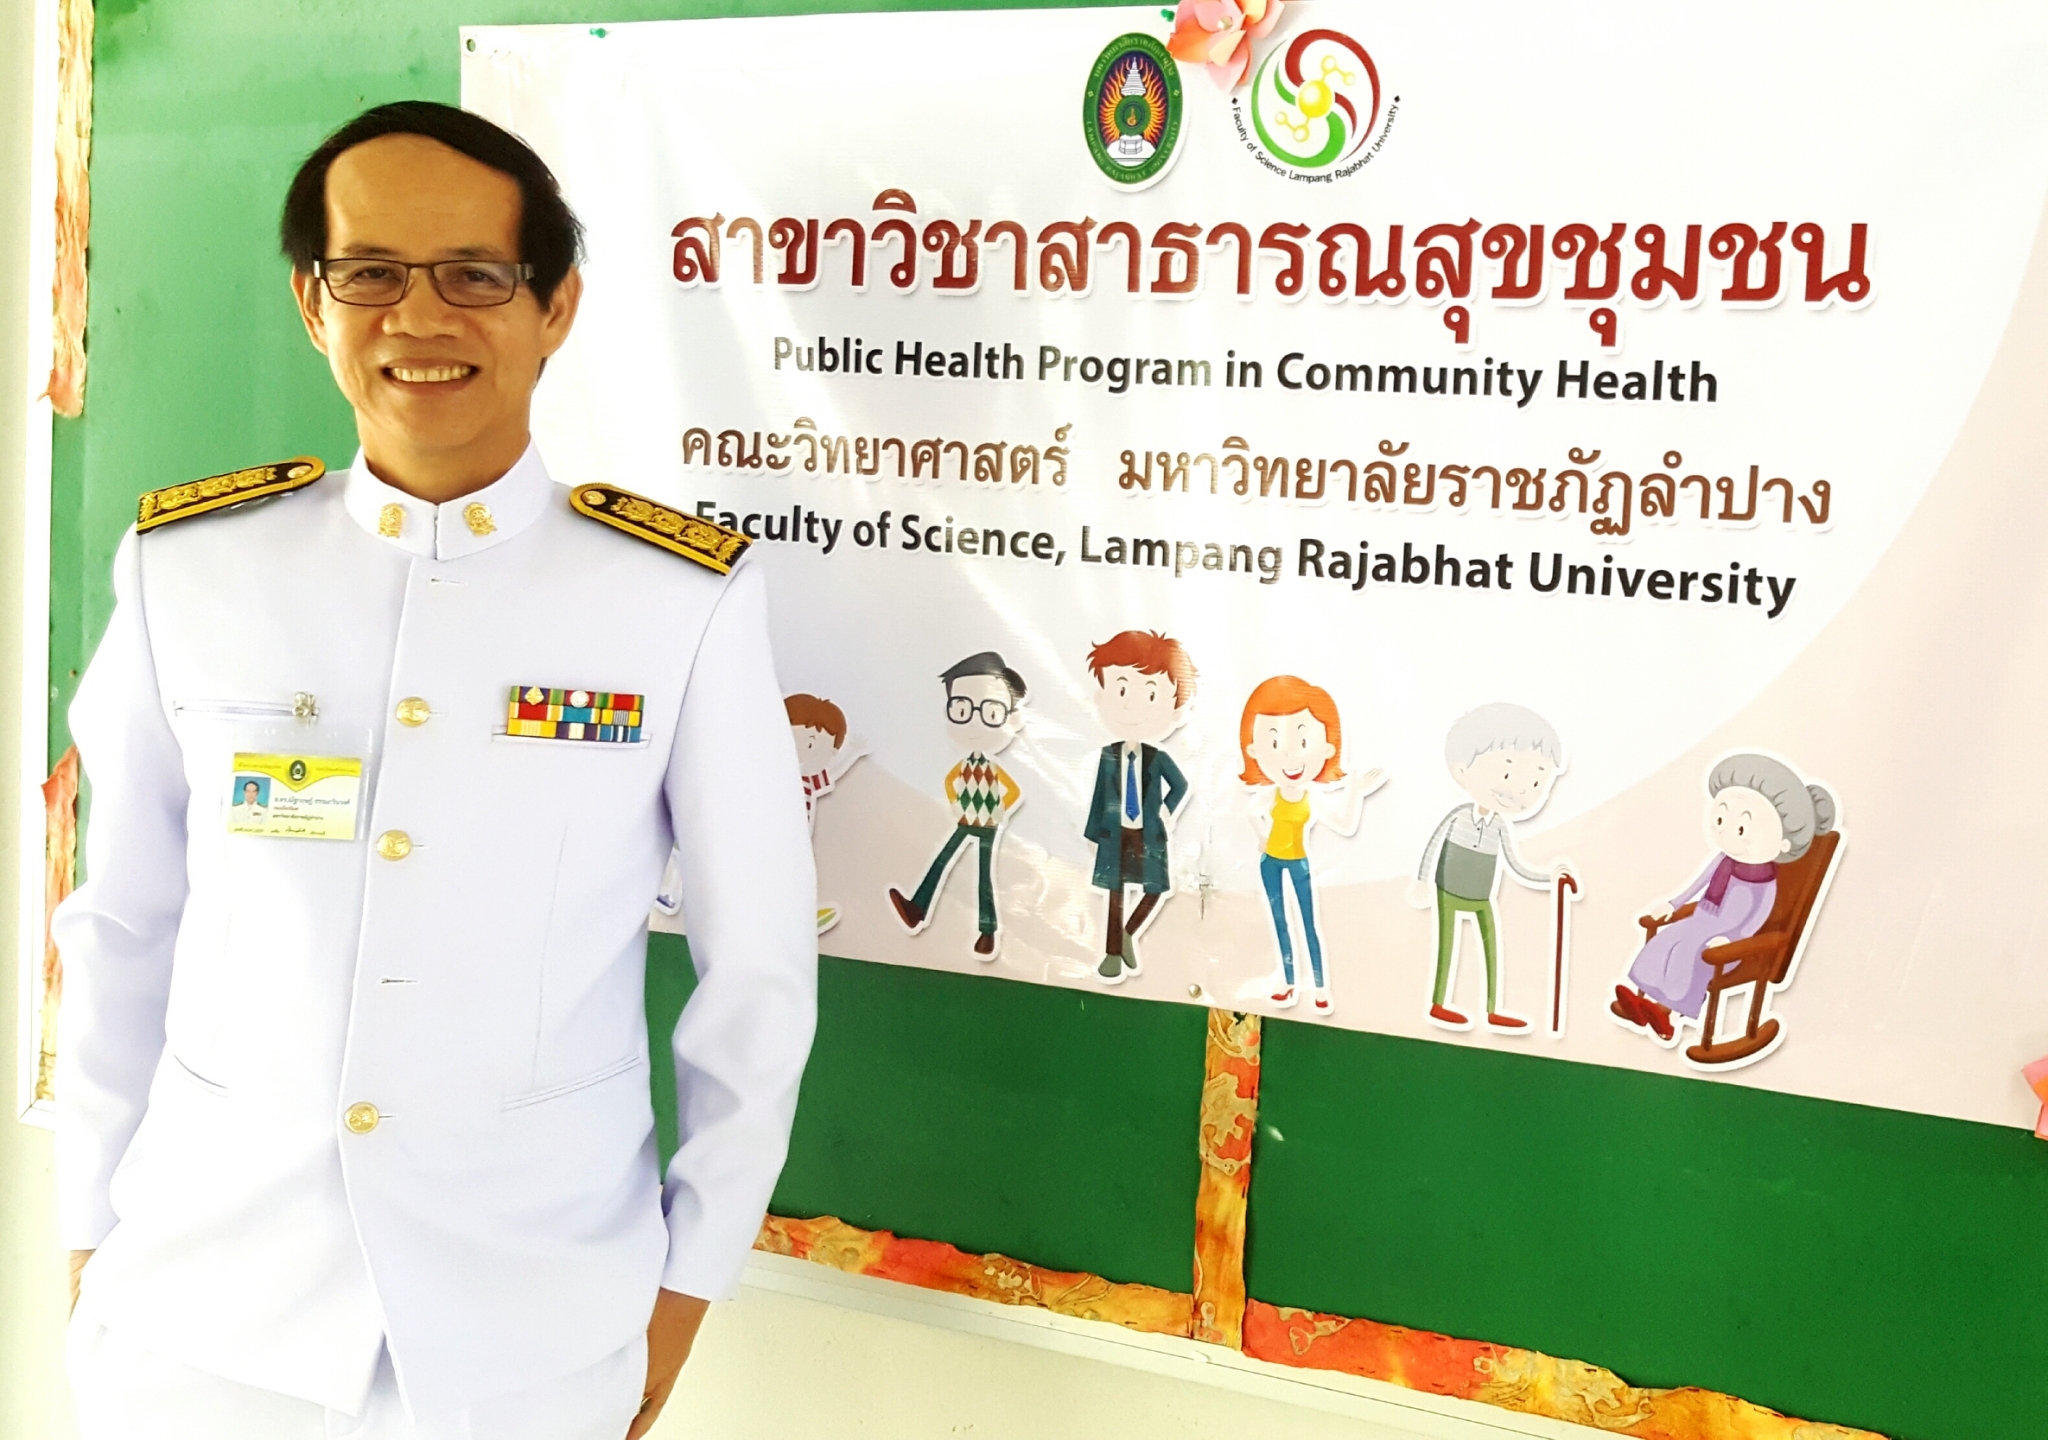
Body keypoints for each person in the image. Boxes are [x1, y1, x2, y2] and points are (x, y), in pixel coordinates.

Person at [54, 101, 817, 1440]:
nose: (419, 317)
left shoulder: (676, 599)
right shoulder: (192, 571)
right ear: (313, 304)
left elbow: (757, 972)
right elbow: (121, 924)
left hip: (530, 1324)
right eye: (370, 274)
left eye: (475, 275)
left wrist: (689, 1282)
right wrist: (87, 1230)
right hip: (200, 1314)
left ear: (555, 306)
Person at [1613, 754, 1836, 1042]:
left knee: (1687, 954)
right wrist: (1673, 904)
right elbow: (1698, 884)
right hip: (1700, 923)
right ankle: (1644, 1004)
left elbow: (1758, 915)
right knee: (1666, 941)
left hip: (1730, 942)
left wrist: (1734, 937)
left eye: (1741, 829)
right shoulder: (1723, 861)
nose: (1726, 834)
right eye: (1720, 819)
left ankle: (1667, 1014)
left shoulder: (1765, 880)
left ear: (1783, 844)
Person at [1408, 703, 1569, 1035]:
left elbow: (1516, 866)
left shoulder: (1499, 828)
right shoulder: (1457, 817)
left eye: (1535, 783)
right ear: (1461, 769)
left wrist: (1549, 878)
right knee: (1447, 945)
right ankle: (1439, 1002)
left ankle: (1493, 1010)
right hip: (1448, 889)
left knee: (1490, 947)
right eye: (1508, 774)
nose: (1519, 790)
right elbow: (1433, 846)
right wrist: (1423, 881)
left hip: (1481, 895)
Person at [1238, 677, 1382, 1016]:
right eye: (1275, 742)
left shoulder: (1311, 797)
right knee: (1280, 922)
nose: (1289, 755)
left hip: (1298, 862)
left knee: (1308, 923)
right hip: (1270, 862)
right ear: (1255, 749)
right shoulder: (1270, 794)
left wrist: (1355, 792)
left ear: (1327, 749)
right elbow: (1251, 811)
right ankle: (1289, 982)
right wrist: (1261, 837)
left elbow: (1344, 824)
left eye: (1303, 741)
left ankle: (1319, 987)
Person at [887, 651, 1027, 958]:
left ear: (1012, 719)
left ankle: (987, 932)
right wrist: (957, 806)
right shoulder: (965, 766)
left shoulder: (993, 769)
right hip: (966, 820)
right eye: (962, 709)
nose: (974, 721)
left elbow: (1013, 792)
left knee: (983, 877)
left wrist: (997, 812)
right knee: (942, 860)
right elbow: (952, 782)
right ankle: (917, 908)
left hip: (988, 824)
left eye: (991, 712)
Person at [1080, 630, 1195, 986]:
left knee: (1155, 888)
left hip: (1148, 834)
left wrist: (1165, 810)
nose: (1133, 706)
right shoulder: (1108, 755)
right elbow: (1100, 795)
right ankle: (1111, 955)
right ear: (1102, 695)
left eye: (1151, 694)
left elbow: (1181, 786)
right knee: (1115, 893)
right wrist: (1092, 833)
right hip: (1114, 833)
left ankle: (1129, 933)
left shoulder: (1157, 757)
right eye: (1122, 690)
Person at [787, 692, 864, 934]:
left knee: (795, 876)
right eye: (810, 743)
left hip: (797, 842)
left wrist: (853, 752)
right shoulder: (775, 774)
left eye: (829, 750)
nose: (817, 755)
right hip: (774, 837)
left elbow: (832, 771)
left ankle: (796, 916)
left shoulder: (811, 780)